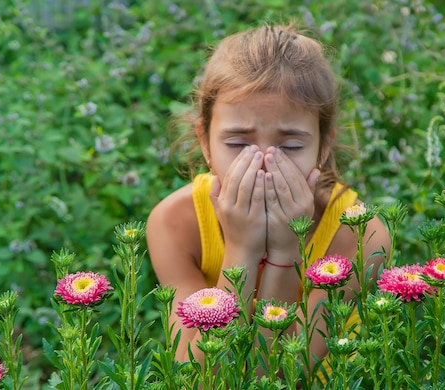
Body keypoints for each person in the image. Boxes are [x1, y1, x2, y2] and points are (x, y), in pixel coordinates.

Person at [146, 22, 390, 370]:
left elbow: (281, 373)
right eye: (237, 144)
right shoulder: (175, 223)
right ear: (205, 143)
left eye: (290, 146)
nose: (262, 163)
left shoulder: (359, 232)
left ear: (324, 146)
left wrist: (286, 248)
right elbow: (201, 374)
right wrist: (242, 249)